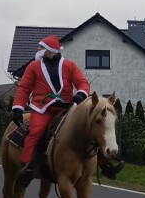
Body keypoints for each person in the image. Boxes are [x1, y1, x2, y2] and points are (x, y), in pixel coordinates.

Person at [11, 35, 91, 185]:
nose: (38, 49)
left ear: (50, 50)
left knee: (86, 128)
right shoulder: (33, 66)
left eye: (41, 47)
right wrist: (18, 108)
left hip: (66, 107)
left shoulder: (70, 65)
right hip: (42, 108)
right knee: (36, 132)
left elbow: (82, 83)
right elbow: (24, 88)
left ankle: (102, 162)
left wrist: (80, 95)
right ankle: (27, 165)